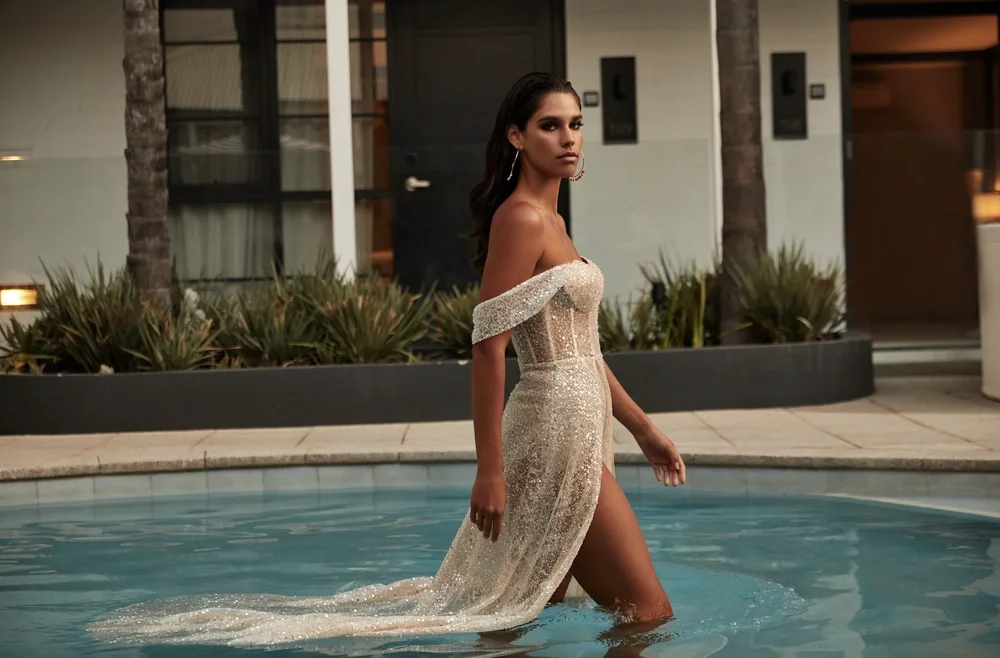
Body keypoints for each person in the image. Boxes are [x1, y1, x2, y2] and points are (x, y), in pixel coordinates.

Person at [88, 72, 686, 649]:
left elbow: (584, 351)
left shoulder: (552, 219)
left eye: (575, 124)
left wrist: (644, 429)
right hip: (551, 432)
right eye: (550, 125)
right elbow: (488, 347)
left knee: (522, 606)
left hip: (581, 427)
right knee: (646, 614)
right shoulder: (522, 219)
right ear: (516, 137)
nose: (568, 138)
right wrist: (491, 470)